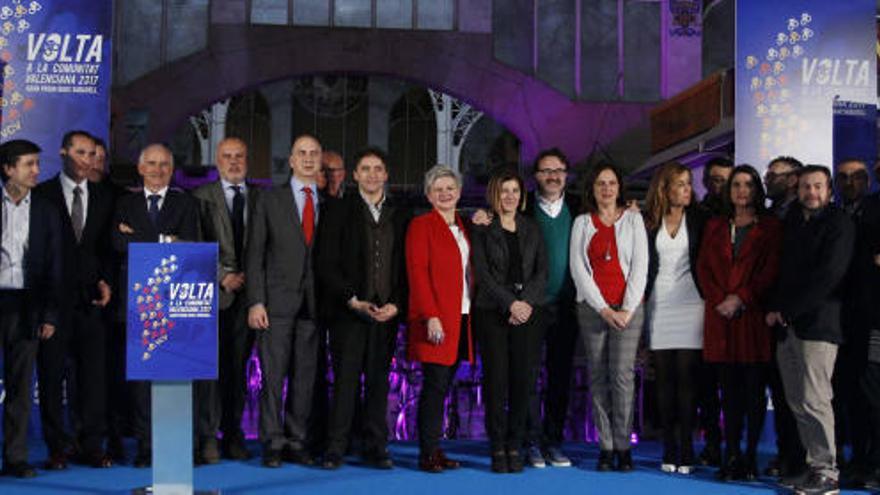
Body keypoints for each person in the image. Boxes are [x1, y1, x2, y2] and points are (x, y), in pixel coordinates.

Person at [317, 147, 410, 470]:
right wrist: (352, 299)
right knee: (344, 381)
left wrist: (397, 305)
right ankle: (336, 448)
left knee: (379, 382)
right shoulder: (338, 211)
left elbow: (404, 267)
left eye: (378, 169)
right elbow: (326, 263)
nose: (372, 175)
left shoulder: (401, 215)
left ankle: (376, 446)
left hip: (385, 314)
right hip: (349, 312)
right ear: (355, 176)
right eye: (365, 169)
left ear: (386, 175)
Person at [767, 165, 855, 495]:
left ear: (829, 190)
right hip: (787, 328)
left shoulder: (839, 223)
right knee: (797, 400)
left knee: (816, 399)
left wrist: (788, 310)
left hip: (819, 326)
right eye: (806, 187)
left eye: (818, 186)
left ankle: (827, 472)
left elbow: (830, 275)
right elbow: (782, 272)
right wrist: (777, 310)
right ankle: (812, 465)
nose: (812, 193)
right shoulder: (791, 222)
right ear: (797, 189)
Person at [111, 143, 200, 467]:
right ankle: (147, 445)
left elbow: (190, 245)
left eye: (164, 164)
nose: (158, 169)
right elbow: (116, 243)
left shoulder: (185, 203)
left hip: (174, 304)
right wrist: (165, 240)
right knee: (141, 380)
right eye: (152, 163)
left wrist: (140, 239)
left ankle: (175, 445)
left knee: (174, 377)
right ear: (140, 167)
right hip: (136, 303)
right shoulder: (125, 203)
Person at [34, 131, 115, 470]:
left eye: (93, 153)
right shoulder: (42, 196)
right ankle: (56, 447)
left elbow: (107, 248)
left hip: (92, 303)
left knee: (93, 377)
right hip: (52, 303)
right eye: (81, 152)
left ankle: (91, 444)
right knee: (52, 377)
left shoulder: (104, 197)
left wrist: (106, 279)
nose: (88, 159)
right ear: (63, 152)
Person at [696, 164, 781, 481]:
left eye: (747, 184)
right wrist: (721, 299)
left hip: (752, 317)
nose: (741, 191)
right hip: (721, 317)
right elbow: (703, 268)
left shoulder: (770, 227)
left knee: (754, 392)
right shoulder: (716, 226)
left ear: (757, 190)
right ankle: (730, 454)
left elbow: (769, 271)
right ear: (728, 191)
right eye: (736, 185)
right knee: (727, 393)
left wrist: (740, 298)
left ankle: (749, 457)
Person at [246, 134, 324, 468]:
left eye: (313, 154)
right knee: (274, 377)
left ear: (320, 160)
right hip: (275, 303)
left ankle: (297, 440)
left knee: (305, 378)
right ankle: (273, 442)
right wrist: (256, 301)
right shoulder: (269, 200)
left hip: (314, 305)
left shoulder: (329, 202)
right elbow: (255, 254)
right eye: (301, 153)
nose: (308, 159)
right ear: (291, 160)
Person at [569, 162, 648, 472]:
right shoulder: (581, 223)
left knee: (622, 376)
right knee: (598, 376)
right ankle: (606, 446)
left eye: (611, 183)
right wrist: (603, 308)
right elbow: (579, 270)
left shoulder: (633, 220)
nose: (606, 188)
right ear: (592, 188)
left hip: (629, 309)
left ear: (619, 188)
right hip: (592, 309)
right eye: (600, 183)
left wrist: (626, 309)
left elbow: (641, 266)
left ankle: (624, 446)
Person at [471, 170, 547, 473]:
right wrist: (511, 303)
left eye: (515, 190)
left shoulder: (532, 228)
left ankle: (515, 443)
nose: (510, 196)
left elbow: (542, 271)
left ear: (522, 195)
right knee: (497, 381)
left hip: (528, 312)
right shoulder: (482, 227)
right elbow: (483, 274)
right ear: (494, 194)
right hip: (492, 311)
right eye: (504, 190)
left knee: (522, 381)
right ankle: (497, 445)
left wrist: (525, 303)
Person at [191, 137, 259, 463]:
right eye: (227, 157)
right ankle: (207, 437)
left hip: (250, 301)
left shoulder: (261, 198)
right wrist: (222, 276)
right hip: (213, 298)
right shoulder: (200, 198)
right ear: (217, 161)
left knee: (238, 371)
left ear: (248, 160)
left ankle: (234, 434)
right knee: (210, 373)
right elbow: (194, 244)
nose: (233, 162)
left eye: (240, 156)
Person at [0, 139, 62, 478]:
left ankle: (15, 457)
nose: (37, 171)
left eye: (38, 164)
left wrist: (49, 315)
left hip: (28, 305)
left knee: (20, 387)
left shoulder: (45, 210)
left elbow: (55, 266)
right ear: (9, 169)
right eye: (29, 164)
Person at [406, 165, 474, 473]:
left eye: (450, 188)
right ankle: (427, 453)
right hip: (437, 319)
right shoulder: (422, 225)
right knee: (434, 387)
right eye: (438, 189)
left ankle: (435, 447)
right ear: (429, 195)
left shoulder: (464, 226)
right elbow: (417, 274)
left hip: (462, 318)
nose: (445, 193)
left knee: (444, 385)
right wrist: (431, 316)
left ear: (459, 192)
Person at [643, 162, 706, 475]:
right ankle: (668, 445)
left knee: (687, 381)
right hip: (658, 304)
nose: (687, 189)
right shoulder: (648, 220)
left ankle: (686, 447)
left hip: (692, 303)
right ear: (664, 188)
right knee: (664, 381)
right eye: (680, 184)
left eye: (689, 183)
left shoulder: (700, 218)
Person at [760, 156, 807, 479]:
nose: (767, 179)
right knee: (780, 391)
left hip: (799, 318)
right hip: (768, 316)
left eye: (773, 175)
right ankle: (785, 452)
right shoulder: (768, 215)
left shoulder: (801, 216)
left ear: (792, 180)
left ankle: (802, 458)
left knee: (802, 396)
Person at [832, 158, 874, 484]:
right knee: (844, 394)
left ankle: (870, 461)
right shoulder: (833, 215)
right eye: (843, 177)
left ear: (868, 180)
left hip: (872, 319)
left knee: (871, 394)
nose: (850, 183)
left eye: (856, 177)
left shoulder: (876, 210)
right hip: (837, 319)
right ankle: (855, 459)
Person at [694, 156, 732, 467]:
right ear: (706, 181)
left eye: (726, 180)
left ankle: (735, 446)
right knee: (704, 383)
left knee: (736, 384)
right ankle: (711, 444)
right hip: (702, 305)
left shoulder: (747, 216)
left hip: (740, 309)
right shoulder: (697, 214)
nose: (720, 185)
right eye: (716, 180)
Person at [765, 156, 803, 220]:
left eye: (772, 176)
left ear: (792, 180)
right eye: (766, 177)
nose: (766, 182)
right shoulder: (764, 216)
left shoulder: (809, 214)